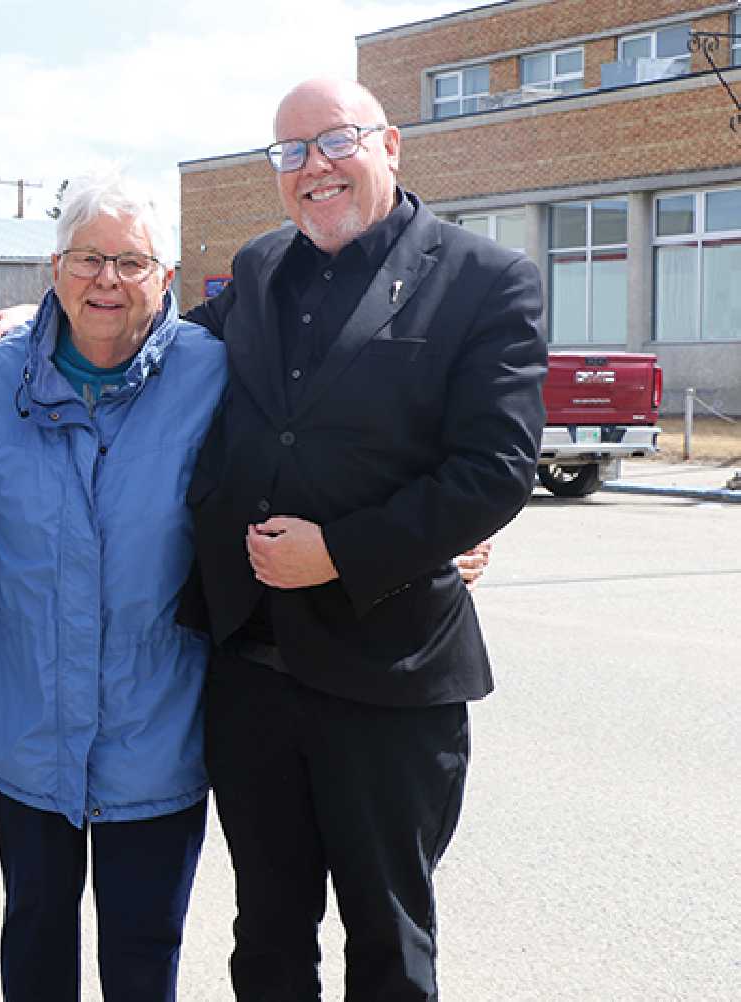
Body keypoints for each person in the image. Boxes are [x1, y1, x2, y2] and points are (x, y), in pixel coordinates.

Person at [182, 78, 547, 1000]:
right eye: (291, 152)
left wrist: (341, 552)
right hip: (251, 676)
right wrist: (30, 322)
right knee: (266, 935)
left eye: (336, 141)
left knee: (388, 940)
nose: (314, 167)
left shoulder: (484, 280)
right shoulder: (259, 267)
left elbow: (495, 469)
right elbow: (165, 352)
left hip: (389, 680)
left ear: (390, 145)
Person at [0, 175, 223, 1002]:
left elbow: (312, 446)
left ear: (165, 277)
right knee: (35, 936)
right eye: (87, 259)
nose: (108, 279)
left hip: (158, 731)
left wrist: (426, 540)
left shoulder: (215, 375)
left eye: (131, 262)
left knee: (143, 952)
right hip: (29, 728)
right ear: (55, 269)